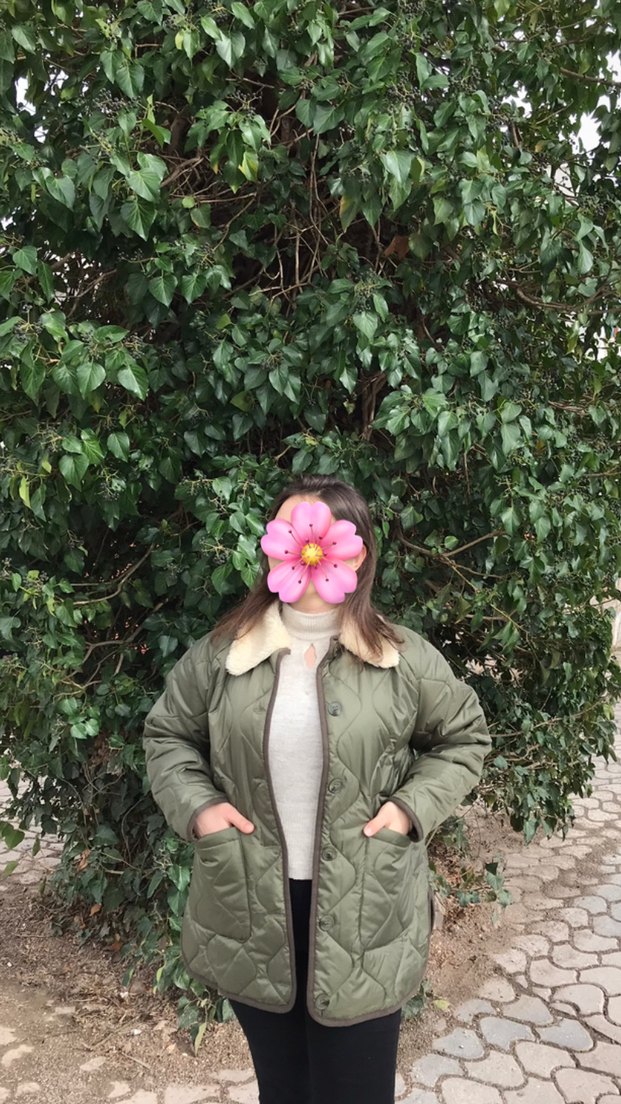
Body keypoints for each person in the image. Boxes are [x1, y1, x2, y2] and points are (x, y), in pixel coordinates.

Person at [142, 474, 491, 1104]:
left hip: (365, 909)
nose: (307, 547)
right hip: (251, 904)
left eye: (324, 532)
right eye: (291, 531)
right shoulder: (224, 654)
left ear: (357, 552)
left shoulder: (400, 657)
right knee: (284, 1091)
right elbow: (167, 735)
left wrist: (408, 811)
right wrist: (201, 809)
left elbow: (464, 738)